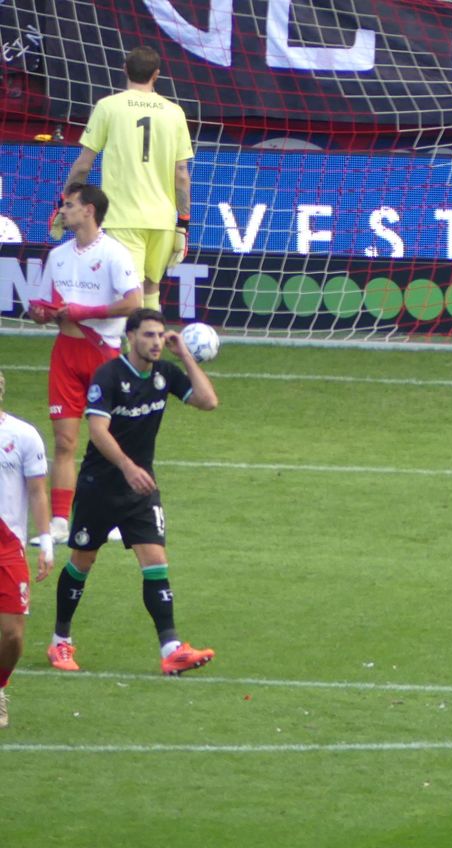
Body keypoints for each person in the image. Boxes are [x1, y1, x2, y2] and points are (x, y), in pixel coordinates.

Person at [47, 308, 218, 676]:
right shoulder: (108, 376)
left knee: (155, 561)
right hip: (101, 487)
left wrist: (184, 354)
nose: (156, 342)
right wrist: (127, 467)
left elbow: (208, 401)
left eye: (160, 335)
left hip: (141, 488)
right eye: (149, 335)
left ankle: (171, 648)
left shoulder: (165, 373)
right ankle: (60, 641)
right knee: (83, 561)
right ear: (131, 337)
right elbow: (97, 430)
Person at [28, 182, 143, 544]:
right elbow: (47, 303)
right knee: (64, 441)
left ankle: (111, 517)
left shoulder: (114, 254)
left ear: (89, 210)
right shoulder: (58, 256)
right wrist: (40, 313)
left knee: (107, 438)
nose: (62, 211)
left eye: (69, 205)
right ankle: (61, 521)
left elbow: (134, 302)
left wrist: (85, 312)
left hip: (102, 354)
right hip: (65, 352)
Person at [55, 45, 193, 311]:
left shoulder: (108, 107)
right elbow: (181, 175)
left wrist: (66, 200)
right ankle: (152, 349)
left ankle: (130, 352)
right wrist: (183, 223)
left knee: (128, 295)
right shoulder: (174, 112)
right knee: (152, 289)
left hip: (123, 217)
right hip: (162, 219)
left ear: (124, 70)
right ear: (156, 75)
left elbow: (84, 165)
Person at [0, 372, 55, 729]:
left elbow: (37, 491)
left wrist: (46, 541)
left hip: (7, 546)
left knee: (12, 634)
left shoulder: (22, 435)